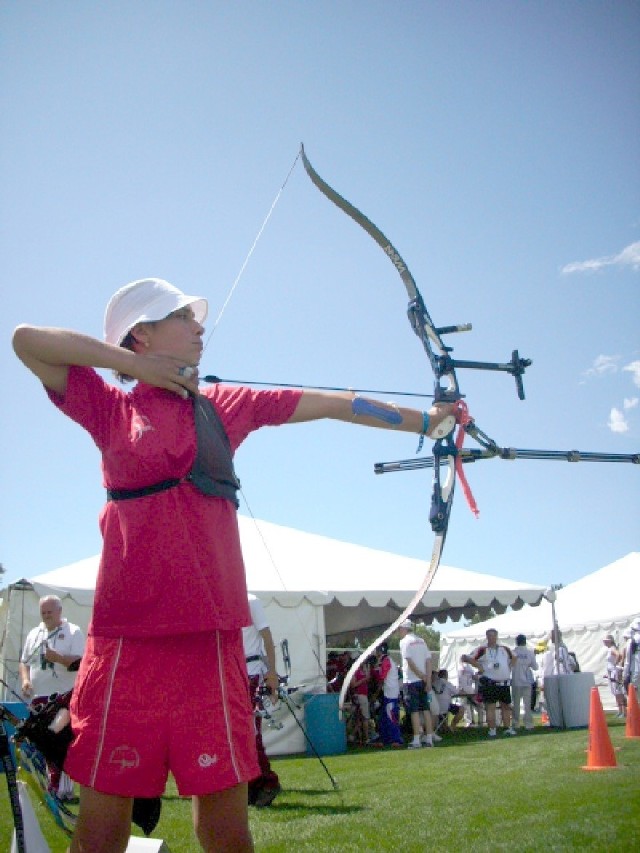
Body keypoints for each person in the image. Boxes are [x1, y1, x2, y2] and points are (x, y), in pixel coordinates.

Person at [12, 277, 457, 853]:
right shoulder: (110, 408)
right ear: (140, 335)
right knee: (101, 827)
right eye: (181, 316)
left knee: (226, 827)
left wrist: (425, 421)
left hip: (212, 641)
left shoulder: (222, 407)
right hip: (128, 643)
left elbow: (333, 403)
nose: (201, 326)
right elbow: (27, 341)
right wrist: (132, 368)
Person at [19, 595, 85, 802]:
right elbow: (24, 662)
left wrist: (58, 658)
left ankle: (64, 789)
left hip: (64, 696)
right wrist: (25, 681)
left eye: (50, 612)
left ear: (59, 611)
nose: (46, 616)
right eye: (43, 612)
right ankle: (51, 785)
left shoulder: (73, 631)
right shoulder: (34, 633)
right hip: (39, 697)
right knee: (42, 742)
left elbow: (80, 663)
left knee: (58, 739)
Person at [243, 593, 281, 808]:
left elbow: (266, 636)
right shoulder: (226, 599)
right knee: (242, 730)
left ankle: (265, 781)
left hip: (251, 670)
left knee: (250, 729)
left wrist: (272, 673)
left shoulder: (250, 600)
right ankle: (252, 783)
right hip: (234, 670)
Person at [462, 628, 516, 738]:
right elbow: (467, 658)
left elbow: (514, 657)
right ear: (487, 637)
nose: (492, 638)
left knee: (506, 706)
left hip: (504, 683)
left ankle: (507, 728)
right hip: (490, 683)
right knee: (490, 707)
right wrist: (479, 667)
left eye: (493, 636)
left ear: (497, 636)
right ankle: (492, 729)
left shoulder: (504, 649)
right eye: (489, 636)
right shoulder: (482, 649)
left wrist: (509, 667)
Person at [398, 619, 435, 748]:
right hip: (423, 680)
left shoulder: (404, 642)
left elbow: (409, 661)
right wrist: (428, 679)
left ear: (403, 629)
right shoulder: (422, 641)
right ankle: (429, 738)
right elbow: (428, 661)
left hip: (412, 680)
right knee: (425, 709)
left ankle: (417, 739)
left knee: (414, 711)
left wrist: (421, 675)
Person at [373, 643, 403, 747]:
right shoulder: (386, 660)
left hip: (390, 693)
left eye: (377, 650)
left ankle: (396, 739)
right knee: (384, 717)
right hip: (388, 692)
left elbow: (382, 677)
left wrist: (376, 692)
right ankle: (385, 738)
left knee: (391, 716)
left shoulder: (386, 661)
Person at [511, 634, 538, 731]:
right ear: (525, 641)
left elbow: (509, 666)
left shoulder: (513, 652)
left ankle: (515, 723)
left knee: (516, 703)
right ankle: (528, 724)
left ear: (516, 642)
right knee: (527, 704)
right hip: (527, 681)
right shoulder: (530, 653)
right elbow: (535, 667)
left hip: (516, 680)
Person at [432, 668, 464, 732]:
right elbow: (457, 692)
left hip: (433, 707)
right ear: (446, 675)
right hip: (445, 707)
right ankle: (452, 725)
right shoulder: (447, 683)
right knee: (462, 709)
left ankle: (443, 726)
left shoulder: (433, 683)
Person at [602, 634, 626, 718]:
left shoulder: (612, 649)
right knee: (615, 692)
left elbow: (619, 655)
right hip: (611, 672)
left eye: (606, 641)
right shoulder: (609, 649)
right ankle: (619, 711)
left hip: (614, 672)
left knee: (618, 691)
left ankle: (623, 711)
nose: (604, 642)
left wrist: (616, 664)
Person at [457, 656, 484, 727]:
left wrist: (461, 689)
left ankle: (470, 721)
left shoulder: (462, 667)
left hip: (465, 689)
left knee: (467, 705)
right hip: (470, 689)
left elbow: (460, 680)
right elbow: (473, 678)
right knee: (473, 705)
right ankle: (477, 721)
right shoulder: (470, 668)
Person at [622, 618, 640, 692]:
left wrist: (625, 675)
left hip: (636, 672)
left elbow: (628, 661)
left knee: (635, 696)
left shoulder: (632, 641)